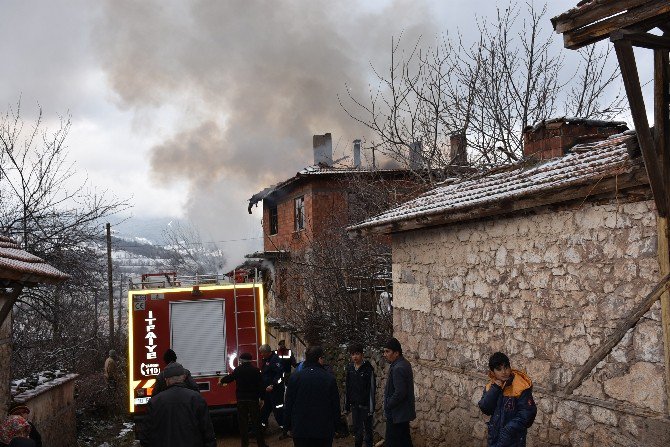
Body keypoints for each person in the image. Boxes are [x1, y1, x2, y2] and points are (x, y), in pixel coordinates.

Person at [139, 362, 216, 447]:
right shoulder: (196, 398)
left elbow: (145, 437)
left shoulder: (154, 402)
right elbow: (208, 433)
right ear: (183, 377)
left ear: (166, 380)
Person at [284, 346, 340, 447]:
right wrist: (337, 427)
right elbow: (335, 405)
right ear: (319, 358)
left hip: (301, 429)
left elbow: (289, 404)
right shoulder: (329, 379)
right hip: (324, 430)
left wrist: (287, 426)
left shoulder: (295, 377)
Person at [478, 352, 537, 447]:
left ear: (510, 367)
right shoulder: (491, 387)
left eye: (506, 367)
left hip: (514, 440)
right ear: (493, 372)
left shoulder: (521, 387)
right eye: (499, 369)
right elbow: (485, 408)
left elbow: (528, 414)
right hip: (494, 439)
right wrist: (495, 389)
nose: (504, 372)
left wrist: (508, 430)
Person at [219, 352, 268, 447]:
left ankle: (244, 445)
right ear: (250, 360)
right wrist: (262, 398)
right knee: (256, 423)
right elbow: (261, 386)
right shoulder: (256, 371)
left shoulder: (238, 370)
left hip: (241, 400)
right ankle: (261, 444)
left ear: (242, 360)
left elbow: (230, 378)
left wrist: (222, 381)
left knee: (243, 424)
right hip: (253, 400)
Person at [382, 337, 415, 447]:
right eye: (384, 351)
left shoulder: (398, 368)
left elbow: (400, 392)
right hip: (401, 414)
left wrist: (388, 404)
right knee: (405, 442)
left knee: (393, 443)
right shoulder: (403, 364)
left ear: (396, 353)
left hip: (397, 415)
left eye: (388, 351)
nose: (385, 354)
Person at [344, 344, 375, 447]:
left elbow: (371, 389)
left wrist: (371, 408)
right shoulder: (350, 369)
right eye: (352, 354)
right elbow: (347, 388)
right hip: (355, 406)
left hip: (365, 406)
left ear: (362, 355)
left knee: (368, 432)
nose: (355, 357)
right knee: (357, 432)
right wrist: (347, 405)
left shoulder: (368, 369)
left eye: (357, 354)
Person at [259, 344, 288, 438]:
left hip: (276, 391)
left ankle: (285, 429)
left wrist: (273, 385)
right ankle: (261, 428)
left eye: (262, 353)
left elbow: (281, 375)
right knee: (265, 410)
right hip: (267, 391)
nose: (261, 355)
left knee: (278, 410)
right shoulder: (266, 360)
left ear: (267, 352)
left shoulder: (275, 360)